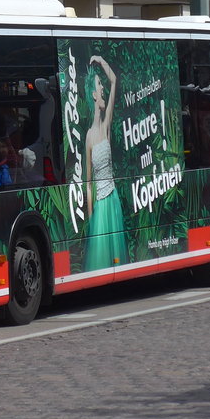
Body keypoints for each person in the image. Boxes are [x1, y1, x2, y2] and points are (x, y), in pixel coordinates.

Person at [83, 55, 128, 272]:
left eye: (101, 85)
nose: (102, 89)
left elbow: (114, 80)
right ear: (93, 95)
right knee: (101, 258)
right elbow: (88, 183)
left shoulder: (106, 125)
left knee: (116, 258)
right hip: (100, 206)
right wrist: (92, 217)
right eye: (98, 86)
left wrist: (101, 60)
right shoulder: (90, 137)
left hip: (112, 199)